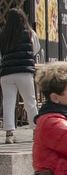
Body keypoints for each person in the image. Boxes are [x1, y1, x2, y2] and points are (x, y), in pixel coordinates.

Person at [1, 8, 40, 143]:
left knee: (8, 103)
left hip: (6, 73)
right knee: (30, 102)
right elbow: (35, 50)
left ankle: (9, 134)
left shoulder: (3, 35)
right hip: (24, 71)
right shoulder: (30, 33)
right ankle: (35, 130)